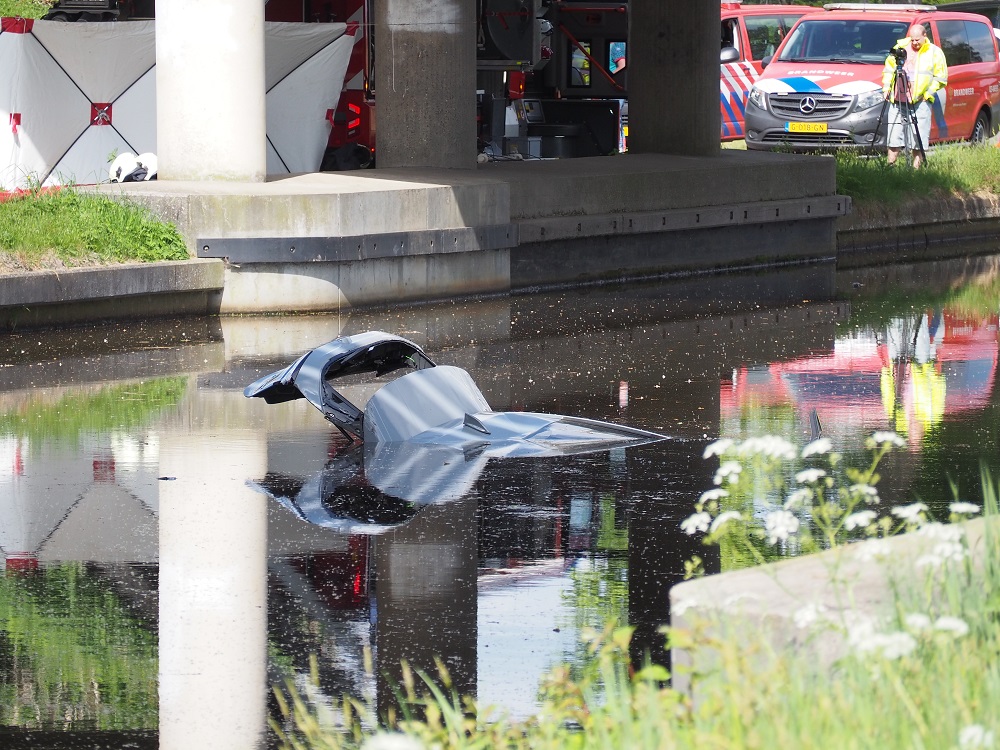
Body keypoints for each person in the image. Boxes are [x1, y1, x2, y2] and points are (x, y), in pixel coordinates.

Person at [882, 24, 947, 169]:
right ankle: (889, 168)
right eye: (912, 40)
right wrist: (886, 88)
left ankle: (916, 171)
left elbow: (941, 78)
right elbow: (888, 70)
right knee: (893, 137)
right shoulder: (900, 48)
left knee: (918, 139)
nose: (915, 43)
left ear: (925, 36)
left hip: (919, 101)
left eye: (917, 40)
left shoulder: (934, 52)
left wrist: (928, 93)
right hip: (897, 100)